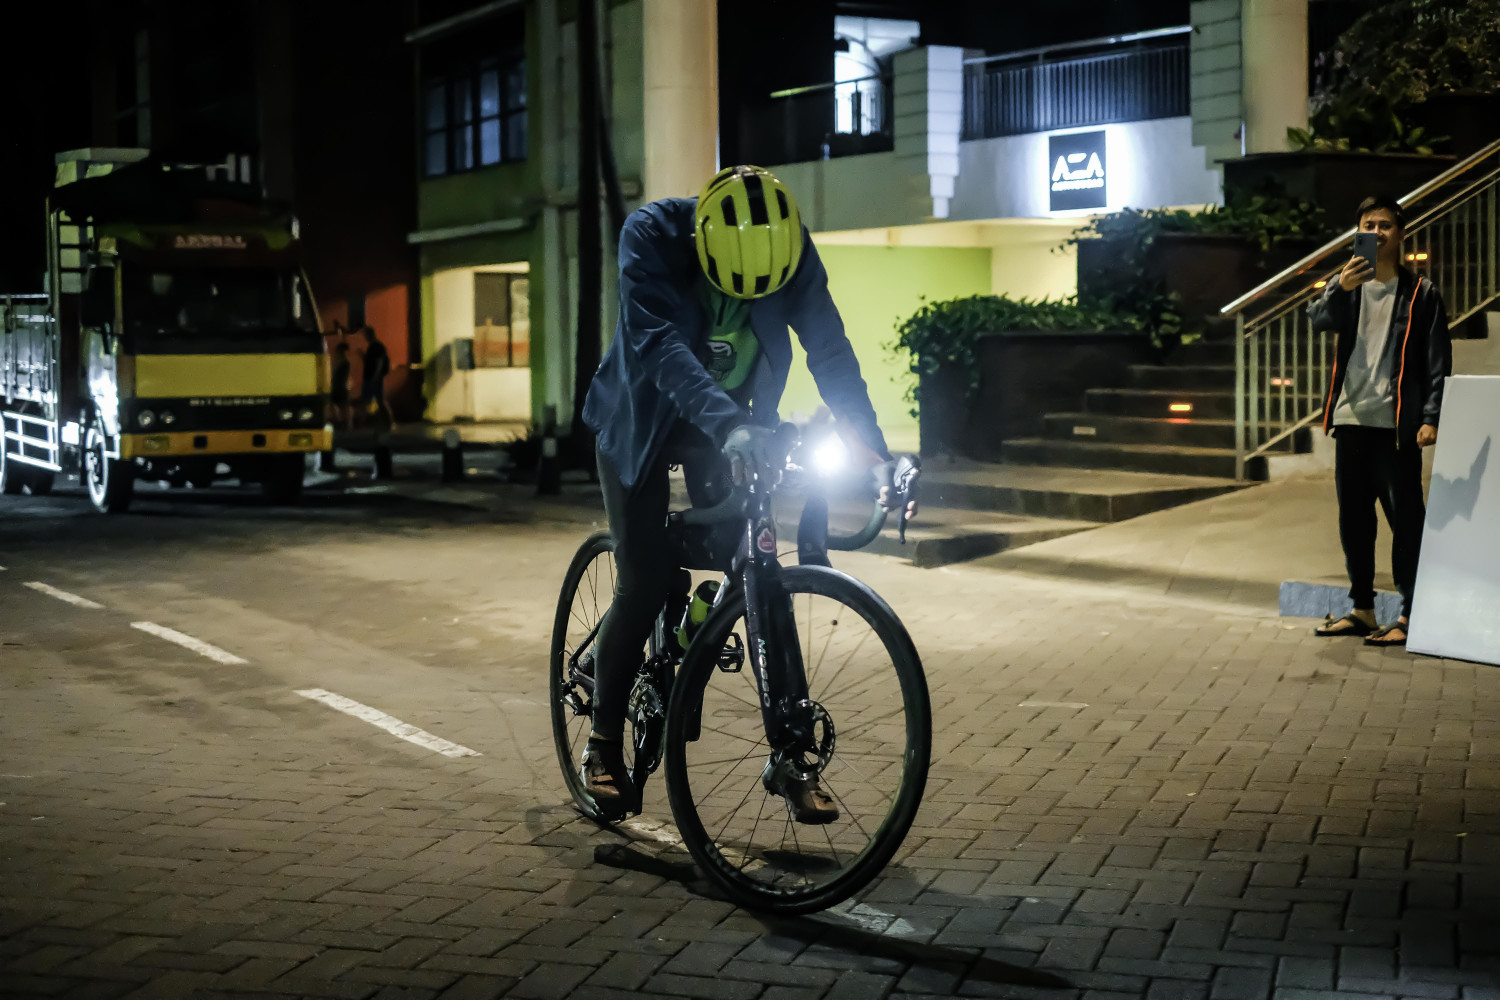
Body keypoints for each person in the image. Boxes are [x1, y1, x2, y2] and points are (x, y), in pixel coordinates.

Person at [579, 165, 917, 820]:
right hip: (643, 421)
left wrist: (874, 454)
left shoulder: (787, 249)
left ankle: (791, 756)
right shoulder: (649, 235)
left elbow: (830, 351)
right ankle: (601, 744)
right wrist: (730, 425)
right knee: (644, 578)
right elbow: (658, 343)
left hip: (733, 428)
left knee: (760, 572)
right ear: (701, 244)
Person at [1308, 194, 1451, 647]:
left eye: (1385, 225)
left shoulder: (1421, 293)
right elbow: (1318, 320)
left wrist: (1431, 416)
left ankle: (1411, 612)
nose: (1376, 232)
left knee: (1405, 520)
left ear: (1401, 234)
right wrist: (1339, 287)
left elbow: (1437, 362)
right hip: (1350, 419)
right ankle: (1362, 610)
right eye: (1368, 225)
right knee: (1354, 520)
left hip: (1395, 426)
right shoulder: (1347, 285)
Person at [358, 325, 394, 431]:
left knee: (377, 400)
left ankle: (388, 422)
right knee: (370, 400)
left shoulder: (376, 346)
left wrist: (375, 376)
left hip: (373, 378)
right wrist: (363, 356)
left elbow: (379, 362)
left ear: (370, 335)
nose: (365, 337)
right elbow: (372, 361)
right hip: (371, 377)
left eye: (366, 335)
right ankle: (364, 422)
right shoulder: (373, 346)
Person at [329, 342, 352, 431]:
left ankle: (344, 422)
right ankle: (344, 422)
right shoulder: (344, 362)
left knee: (341, 405)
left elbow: (339, 376)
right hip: (340, 387)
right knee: (341, 405)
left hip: (340, 387)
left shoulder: (343, 362)